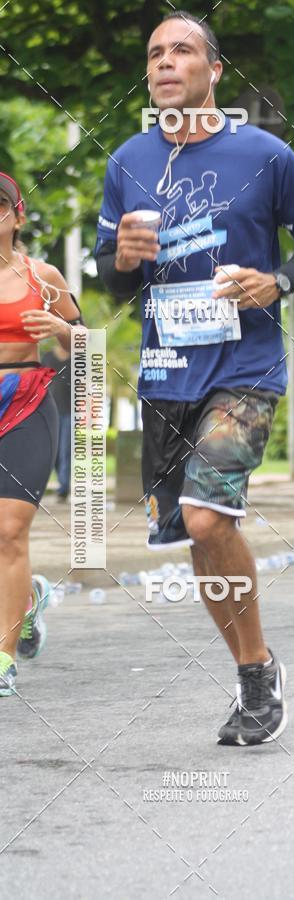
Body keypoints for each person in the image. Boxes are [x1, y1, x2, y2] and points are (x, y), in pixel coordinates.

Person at [95, 12, 294, 745]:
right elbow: (111, 278)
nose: (165, 63)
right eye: (155, 54)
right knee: (197, 535)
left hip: (246, 367)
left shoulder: (266, 155)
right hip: (168, 372)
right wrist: (123, 260)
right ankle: (254, 669)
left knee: (208, 517)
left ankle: (255, 676)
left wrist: (276, 282)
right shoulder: (127, 161)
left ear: (215, 71)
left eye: (181, 50)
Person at [0, 172, 84, 696]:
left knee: (9, 530)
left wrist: (63, 331)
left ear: (18, 215)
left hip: (27, 403)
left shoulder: (42, 275)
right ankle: (27, 600)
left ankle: (3, 658)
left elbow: (86, 344)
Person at [41, 344, 71, 499]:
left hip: (70, 411)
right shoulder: (47, 357)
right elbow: (40, 383)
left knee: (66, 450)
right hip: (50, 410)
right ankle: (61, 481)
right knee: (54, 451)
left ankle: (64, 487)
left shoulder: (76, 358)